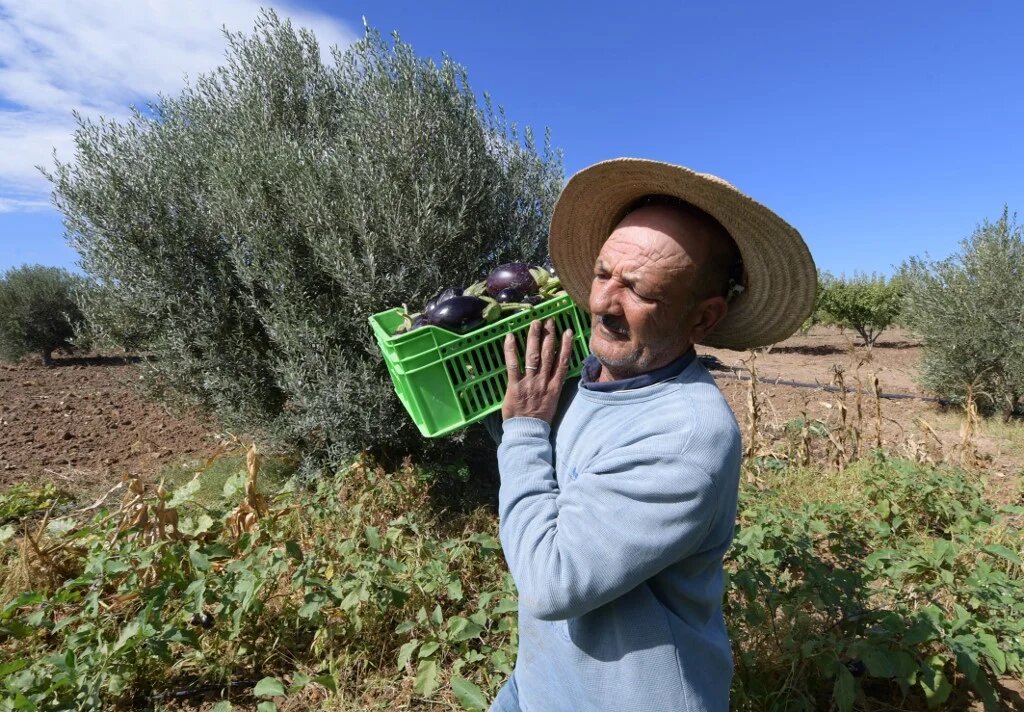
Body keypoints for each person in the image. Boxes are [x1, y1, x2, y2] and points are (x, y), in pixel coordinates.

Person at [490, 158, 816, 711]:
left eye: (638, 290)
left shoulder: (688, 438)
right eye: (601, 275)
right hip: (540, 687)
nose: (600, 303)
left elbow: (551, 581)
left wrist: (522, 432)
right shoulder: (590, 382)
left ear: (702, 319)